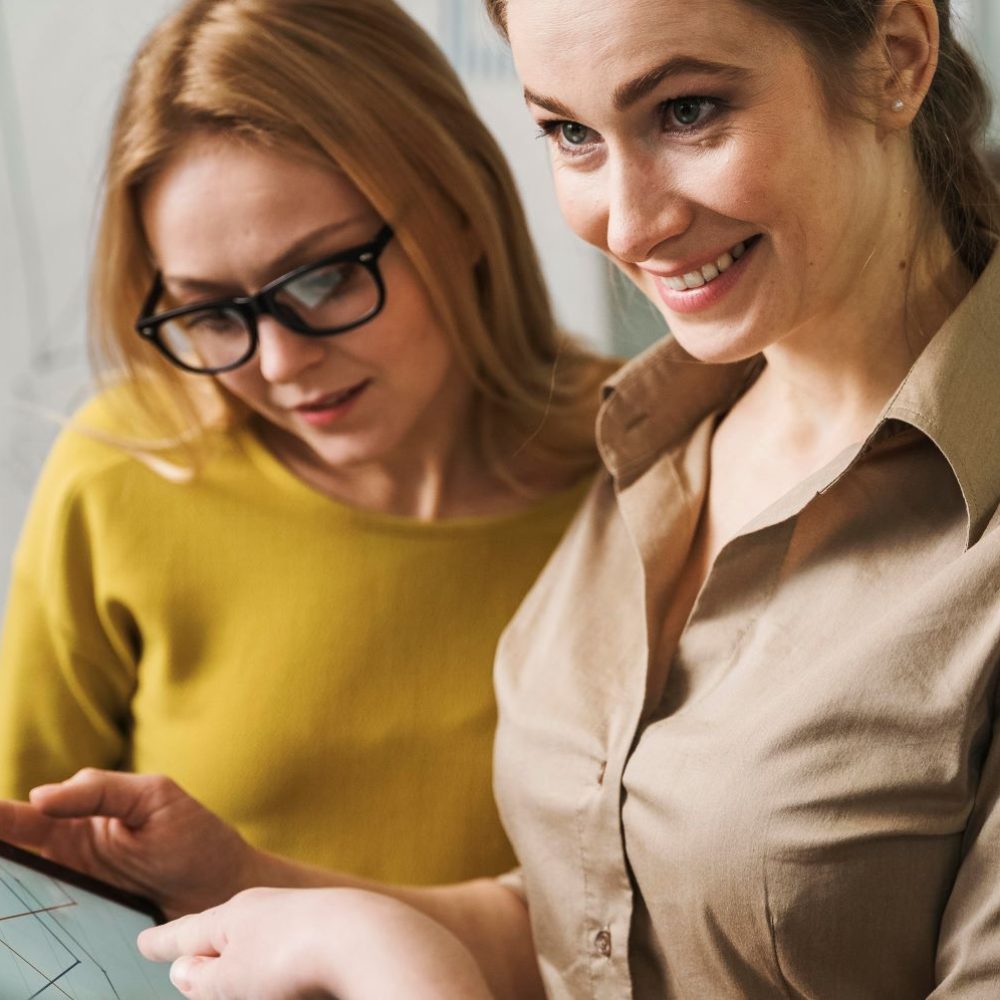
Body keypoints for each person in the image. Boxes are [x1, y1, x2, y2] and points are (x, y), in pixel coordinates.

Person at [4, 0, 1000, 996]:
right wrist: (249, 883)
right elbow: (598, 923)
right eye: (569, 132)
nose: (629, 220)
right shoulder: (659, 440)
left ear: (896, 55)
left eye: (688, 109)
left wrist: (401, 974)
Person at [0, 0, 616, 890]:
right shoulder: (122, 476)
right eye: (213, 312)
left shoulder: (653, 463)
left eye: (325, 277)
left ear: (462, 211)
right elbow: (23, 896)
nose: (283, 363)